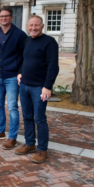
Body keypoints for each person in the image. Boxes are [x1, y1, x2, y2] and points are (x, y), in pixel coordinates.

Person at [15, 15, 59, 164]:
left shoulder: (50, 42)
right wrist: (20, 72)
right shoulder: (28, 40)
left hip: (39, 88)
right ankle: (30, 144)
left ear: (42, 26)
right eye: (31, 25)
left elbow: (53, 66)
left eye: (36, 25)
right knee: (27, 116)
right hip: (25, 86)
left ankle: (42, 149)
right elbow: (25, 60)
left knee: (40, 119)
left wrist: (47, 87)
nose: (33, 28)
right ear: (27, 26)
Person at [0, 6, 27, 150]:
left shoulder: (20, 35)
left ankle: (12, 137)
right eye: (1, 16)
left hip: (12, 76)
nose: (3, 18)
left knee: (12, 107)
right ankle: (0, 130)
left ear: (11, 17)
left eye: (6, 16)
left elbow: (25, 56)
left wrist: (20, 72)